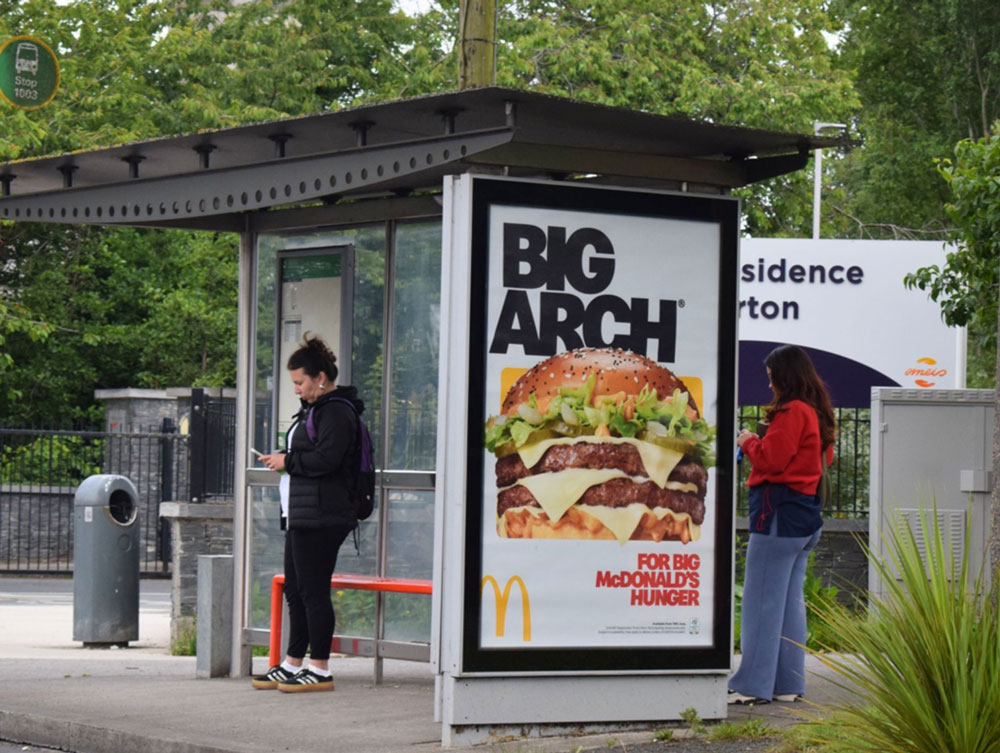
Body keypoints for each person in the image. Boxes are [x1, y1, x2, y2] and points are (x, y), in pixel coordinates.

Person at [251, 334, 363, 693]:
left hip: (323, 515)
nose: (296, 389)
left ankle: (320, 668)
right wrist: (285, 461)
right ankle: (292, 662)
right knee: (296, 590)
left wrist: (287, 461)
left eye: (300, 382)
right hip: (302, 512)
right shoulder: (314, 410)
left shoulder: (336, 412)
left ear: (321, 378)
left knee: (313, 591)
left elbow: (328, 459)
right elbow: (311, 457)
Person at [728, 344, 835, 705]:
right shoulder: (817, 413)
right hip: (804, 518)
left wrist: (748, 441)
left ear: (783, 375)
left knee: (761, 603)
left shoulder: (791, 412)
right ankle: (788, 684)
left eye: (771, 375)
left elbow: (771, 460)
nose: (769, 382)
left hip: (777, 518)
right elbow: (822, 459)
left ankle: (750, 686)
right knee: (789, 604)